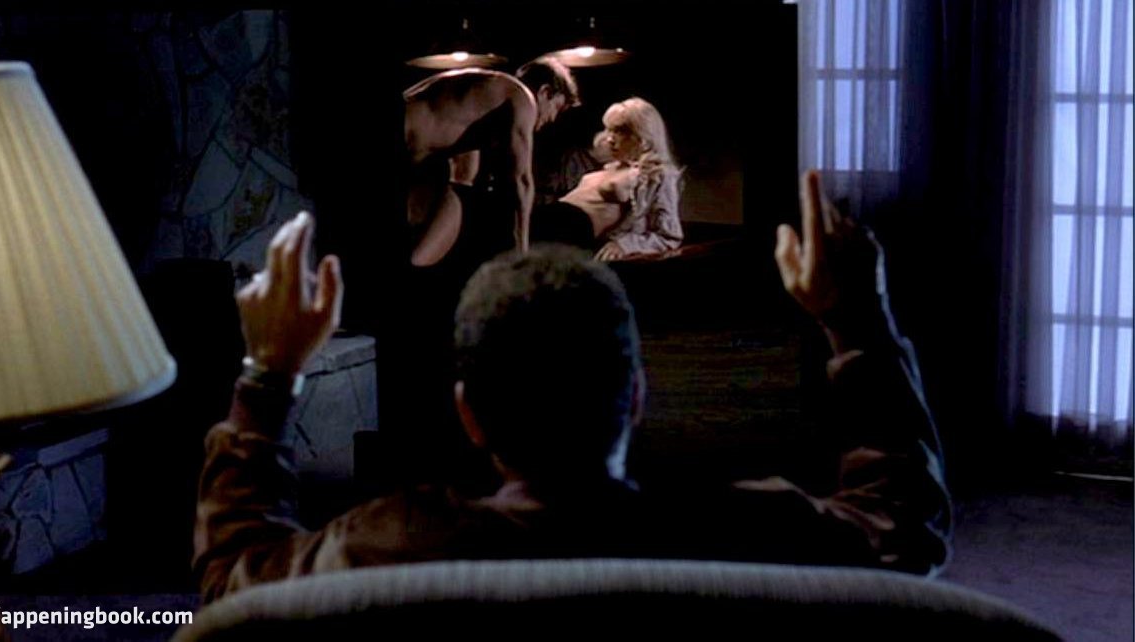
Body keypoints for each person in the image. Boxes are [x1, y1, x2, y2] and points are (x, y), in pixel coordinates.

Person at [193, 172, 952, 603]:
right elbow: (903, 530)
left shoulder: (385, 547)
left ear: (468, 415)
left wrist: (269, 374)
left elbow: (234, 581)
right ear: (637, 397)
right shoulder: (751, 531)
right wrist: (860, 323)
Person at [403, 58, 580, 267]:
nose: (552, 119)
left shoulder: (485, 94)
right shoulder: (521, 96)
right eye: (557, 108)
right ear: (545, 92)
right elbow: (521, 181)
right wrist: (522, 252)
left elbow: (464, 173)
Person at [531, 97, 684, 261]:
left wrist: (624, 245)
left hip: (572, 227)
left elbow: (669, 235)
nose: (610, 138)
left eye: (620, 131)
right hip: (549, 214)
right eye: (609, 130)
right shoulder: (611, 167)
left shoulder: (657, 174)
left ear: (642, 135)